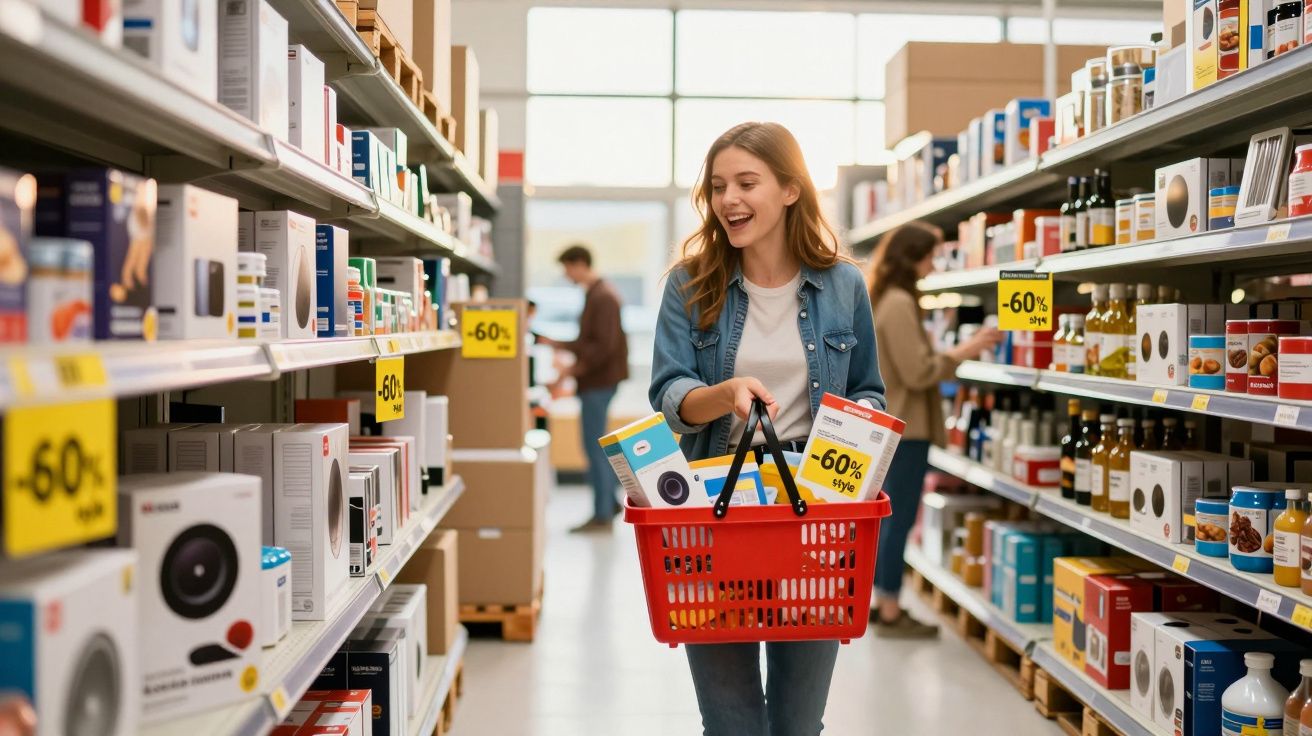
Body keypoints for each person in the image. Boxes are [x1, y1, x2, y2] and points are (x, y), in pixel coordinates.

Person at [650, 121, 886, 736]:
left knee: (798, 723)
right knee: (730, 723)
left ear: (789, 189)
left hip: (816, 511)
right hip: (714, 507)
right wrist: (723, 394)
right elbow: (670, 393)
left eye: (747, 182)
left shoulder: (843, 286)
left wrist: (858, 428)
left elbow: (866, 389)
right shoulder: (689, 284)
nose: (729, 199)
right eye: (718, 185)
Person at [864, 221, 1001, 638]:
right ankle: (889, 607)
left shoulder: (888, 298)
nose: (934, 264)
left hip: (896, 427)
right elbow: (918, 371)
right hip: (906, 430)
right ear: (910, 258)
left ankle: (882, 600)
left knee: (891, 519)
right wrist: (965, 350)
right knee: (898, 518)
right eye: (929, 256)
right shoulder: (899, 302)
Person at [540, 245, 629, 533]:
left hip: (598, 382)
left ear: (579, 264)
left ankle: (602, 514)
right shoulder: (597, 294)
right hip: (598, 381)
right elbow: (590, 342)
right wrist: (559, 346)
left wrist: (570, 370)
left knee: (593, 446)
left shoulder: (603, 297)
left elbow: (602, 347)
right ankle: (609, 504)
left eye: (567, 268)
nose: (566, 275)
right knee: (596, 444)